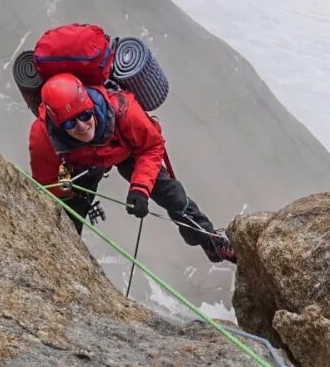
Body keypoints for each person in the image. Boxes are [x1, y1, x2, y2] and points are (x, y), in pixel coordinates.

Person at [29, 72, 236, 263]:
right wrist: (69, 198)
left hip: (124, 149)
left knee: (170, 194)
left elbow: (152, 147)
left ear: (91, 105)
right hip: (82, 162)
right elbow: (49, 185)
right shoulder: (44, 138)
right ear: (56, 124)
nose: (82, 127)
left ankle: (209, 240)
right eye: (69, 124)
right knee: (70, 210)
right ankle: (67, 257)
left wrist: (140, 188)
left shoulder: (122, 109)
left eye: (84, 115)